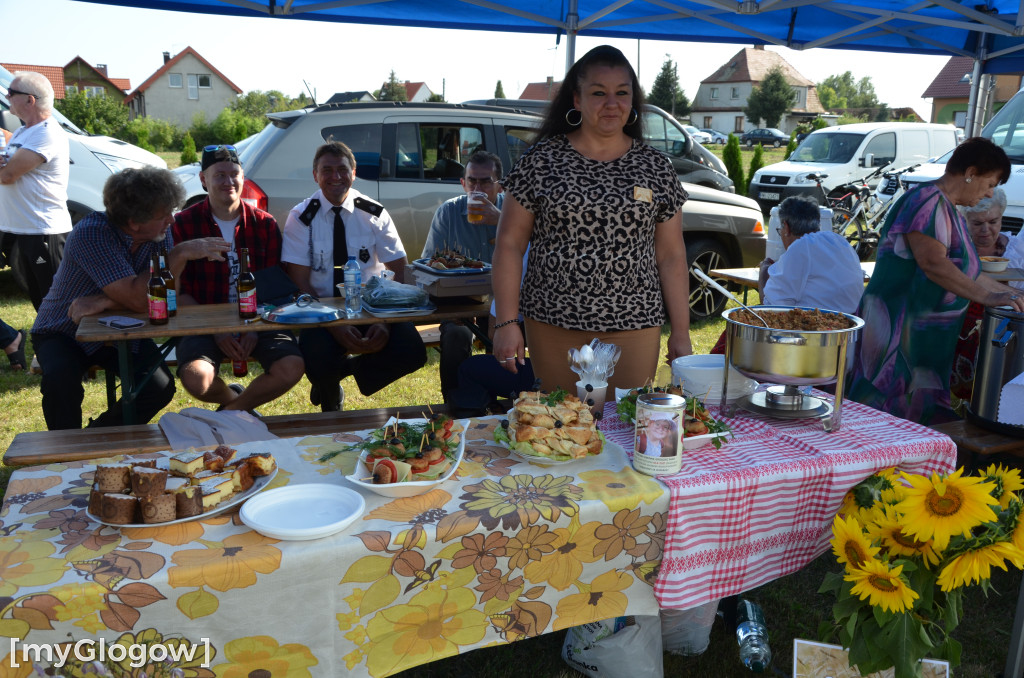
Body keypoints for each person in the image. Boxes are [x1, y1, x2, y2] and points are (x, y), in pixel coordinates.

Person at [492, 45, 691, 392]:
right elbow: (509, 245)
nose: (611, 103)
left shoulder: (656, 167)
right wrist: (507, 322)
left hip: (635, 323)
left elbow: (672, 255)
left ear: (633, 101)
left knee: (627, 426)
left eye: (622, 93)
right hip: (553, 321)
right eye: (598, 93)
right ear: (577, 100)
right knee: (560, 428)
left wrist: (682, 332)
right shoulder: (540, 162)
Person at [30, 167, 231, 430]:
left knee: (158, 388)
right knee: (60, 380)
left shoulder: (158, 232)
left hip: (119, 327)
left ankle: (94, 440)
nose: (171, 220)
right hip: (62, 329)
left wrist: (105, 301)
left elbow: (168, 296)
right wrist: (180, 254)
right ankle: (62, 455)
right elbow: (139, 300)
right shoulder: (93, 234)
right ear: (134, 222)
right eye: (163, 215)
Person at [848, 138, 1024, 425]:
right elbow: (933, 264)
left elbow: (969, 273)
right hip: (896, 333)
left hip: (921, 343)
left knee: (912, 426)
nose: (990, 192)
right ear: (971, 172)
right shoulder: (926, 201)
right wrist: (988, 298)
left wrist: (1009, 295)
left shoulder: (948, 208)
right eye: (990, 183)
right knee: (879, 421)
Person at [282, 141, 427, 411]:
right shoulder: (301, 217)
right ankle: (329, 399)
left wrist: (383, 322)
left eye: (342, 169)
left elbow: (400, 269)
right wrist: (332, 325)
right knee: (315, 355)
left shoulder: (373, 213)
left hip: (372, 307)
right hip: (322, 311)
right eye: (327, 170)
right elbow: (298, 280)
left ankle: (345, 371)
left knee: (412, 351)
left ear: (354, 172)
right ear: (315, 175)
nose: (335, 177)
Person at [172, 145, 305, 413]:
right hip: (204, 319)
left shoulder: (264, 223)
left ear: (243, 178)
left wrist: (254, 328)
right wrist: (216, 329)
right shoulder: (183, 225)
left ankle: (232, 413)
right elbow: (180, 292)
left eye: (234, 174)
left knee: (292, 367)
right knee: (196, 378)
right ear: (203, 180)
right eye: (219, 175)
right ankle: (234, 400)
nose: (228, 181)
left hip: (261, 316)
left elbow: (274, 289)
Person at [421, 150, 504, 403]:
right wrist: (449, 302)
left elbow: (536, 253)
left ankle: (507, 400)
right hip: (461, 299)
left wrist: (501, 221)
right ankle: (456, 402)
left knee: (507, 332)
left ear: (499, 184)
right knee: (456, 335)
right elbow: (428, 266)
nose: (478, 188)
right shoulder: (448, 213)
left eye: (486, 181)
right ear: (463, 183)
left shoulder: (514, 211)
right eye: (472, 181)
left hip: (506, 300)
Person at [0, 71, 71, 310]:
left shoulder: (46, 132)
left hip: (44, 231)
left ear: (30, 100)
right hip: (27, 230)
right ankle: (45, 346)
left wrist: (6, 168)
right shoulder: (23, 131)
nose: (7, 97)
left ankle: (65, 347)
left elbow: (8, 175)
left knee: (54, 304)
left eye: (11, 93)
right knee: (40, 303)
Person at [950, 187, 1024, 400]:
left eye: (993, 222)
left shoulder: (1017, 250)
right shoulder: (956, 251)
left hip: (1007, 340)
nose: (986, 230)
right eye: (977, 223)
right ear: (964, 220)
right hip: (958, 338)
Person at [758, 195, 865, 313]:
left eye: (780, 230)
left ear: (787, 227)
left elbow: (771, 308)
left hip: (823, 326)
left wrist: (763, 271)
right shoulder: (839, 240)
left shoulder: (800, 247)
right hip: (853, 322)